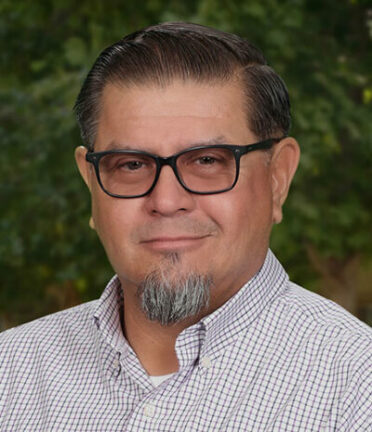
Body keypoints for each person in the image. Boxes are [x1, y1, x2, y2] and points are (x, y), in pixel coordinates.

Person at [0, 22, 371, 431]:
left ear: (277, 178)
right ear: (91, 184)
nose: (166, 201)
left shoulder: (355, 386)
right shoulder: (11, 373)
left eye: (207, 161)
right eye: (132, 164)